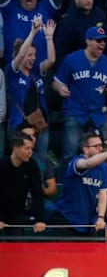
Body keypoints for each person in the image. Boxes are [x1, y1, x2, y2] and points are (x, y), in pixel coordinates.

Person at [53, 26, 107, 162]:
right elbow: (56, 82)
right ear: (88, 41)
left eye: (104, 41)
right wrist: (60, 88)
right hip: (75, 111)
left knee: (102, 154)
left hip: (99, 115)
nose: (102, 44)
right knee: (70, 152)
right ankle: (67, 181)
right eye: (98, 41)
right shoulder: (72, 59)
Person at [52, 132, 107, 236]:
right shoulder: (76, 162)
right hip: (67, 219)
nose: (100, 149)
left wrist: (101, 217)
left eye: (101, 146)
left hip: (87, 222)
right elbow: (87, 163)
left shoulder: (103, 168)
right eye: (96, 146)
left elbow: (103, 194)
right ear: (85, 149)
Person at [6, 19, 56, 179]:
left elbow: (51, 61)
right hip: (19, 124)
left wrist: (49, 38)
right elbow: (20, 54)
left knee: (39, 160)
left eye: (34, 55)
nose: (33, 58)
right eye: (29, 55)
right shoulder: (13, 72)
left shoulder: (35, 72)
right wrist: (33, 32)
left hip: (39, 125)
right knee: (19, 162)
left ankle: (37, 193)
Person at [0, 133, 46, 236]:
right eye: (27, 148)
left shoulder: (32, 165)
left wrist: (40, 219)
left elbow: (37, 193)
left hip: (18, 214)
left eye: (32, 149)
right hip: (1, 212)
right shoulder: (2, 165)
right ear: (16, 148)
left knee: (17, 244)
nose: (30, 152)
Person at [54, 0, 107, 65]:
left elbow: (105, 40)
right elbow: (62, 50)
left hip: (98, 61)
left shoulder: (100, 14)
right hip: (75, 63)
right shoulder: (67, 21)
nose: (89, 1)